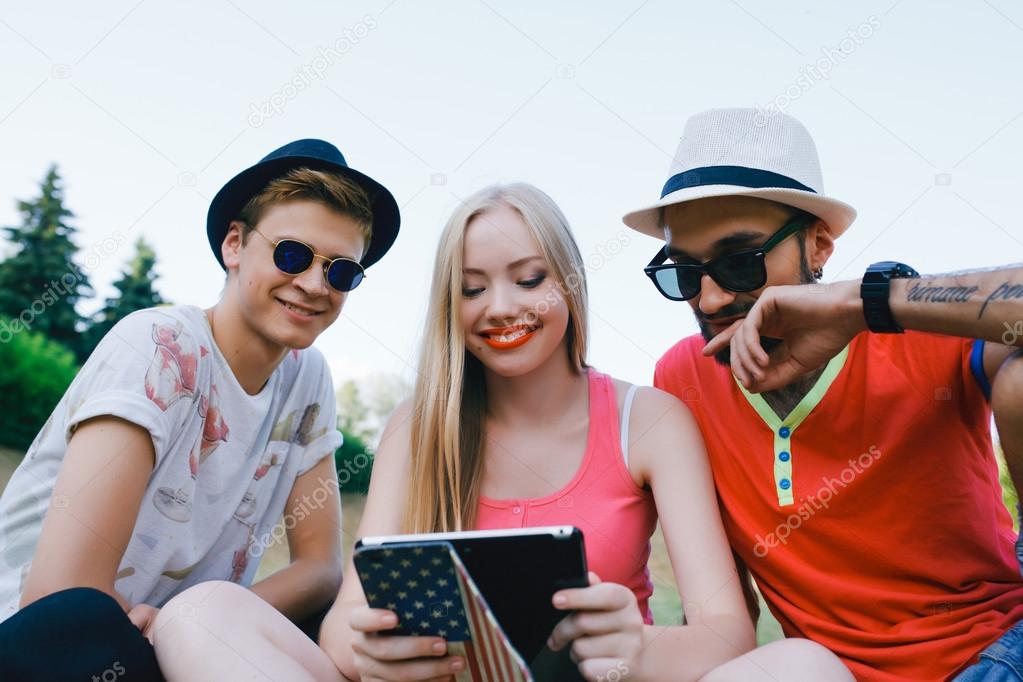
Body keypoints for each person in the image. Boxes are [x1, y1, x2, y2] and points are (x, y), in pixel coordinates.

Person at [150, 182, 852, 682]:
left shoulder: (650, 420)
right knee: (201, 615)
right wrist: (366, 652)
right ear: (447, 304)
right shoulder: (416, 428)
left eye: (528, 278)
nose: (502, 307)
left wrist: (633, 648)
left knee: (805, 666)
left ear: (569, 286)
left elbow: (724, 634)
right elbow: (343, 626)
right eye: (473, 286)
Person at [624, 107, 1023, 680]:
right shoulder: (683, 379)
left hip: (997, 656)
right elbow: (721, 606)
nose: (708, 300)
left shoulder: (921, 332)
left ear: (818, 246)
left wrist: (863, 303)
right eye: (684, 273)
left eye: (740, 263)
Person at [0, 138, 400, 682]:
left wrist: (190, 624)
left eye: (341, 272)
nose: (313, 284)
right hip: (44, 646)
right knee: (83, 626)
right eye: (292, 254)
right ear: (235, 245)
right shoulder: (159, 345)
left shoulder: (308, 380)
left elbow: (320, 568)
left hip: (173, 647)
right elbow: (60, 598)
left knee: (332, 629)